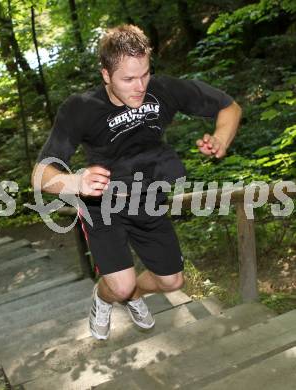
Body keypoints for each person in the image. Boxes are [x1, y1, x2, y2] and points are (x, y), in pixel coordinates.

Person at [31, 24, 242, 340]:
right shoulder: (81, 108)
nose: (139, 86)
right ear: (106, 75)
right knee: (120, 283)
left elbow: (229, 106)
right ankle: (104, 297)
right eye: (128, 79)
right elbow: (40, 175)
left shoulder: (163, 90)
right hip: (102, 206)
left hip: (148, 200)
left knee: (172, 282)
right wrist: (75, 181)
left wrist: (221, 139)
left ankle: (133, 296)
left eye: (144, 74)